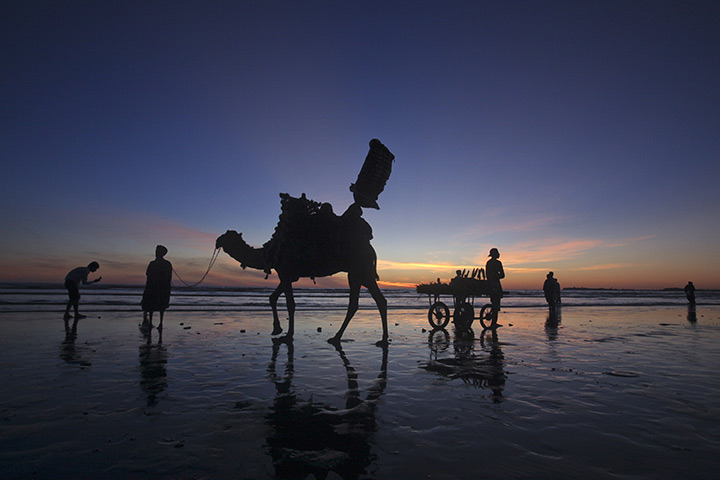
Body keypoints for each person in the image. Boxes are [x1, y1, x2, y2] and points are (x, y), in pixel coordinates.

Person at [141, 245, 173, 329]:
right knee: (160, 306)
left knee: (154, 305)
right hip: (161, 288)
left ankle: (156, 323)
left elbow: (148, 274)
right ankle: (160, 323)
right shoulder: (167, 264)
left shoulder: (154, 264)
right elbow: (169, 277)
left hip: (155, 287)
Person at [485, 248, 504, 327]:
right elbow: (502, 275)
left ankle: (493, 321)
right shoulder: (498, 263)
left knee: (494, 302)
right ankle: (494, 323)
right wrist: (497, 276)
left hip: (489, 284)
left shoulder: (488, 263)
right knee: (496, 304)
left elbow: (487, 275)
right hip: (496, 285)